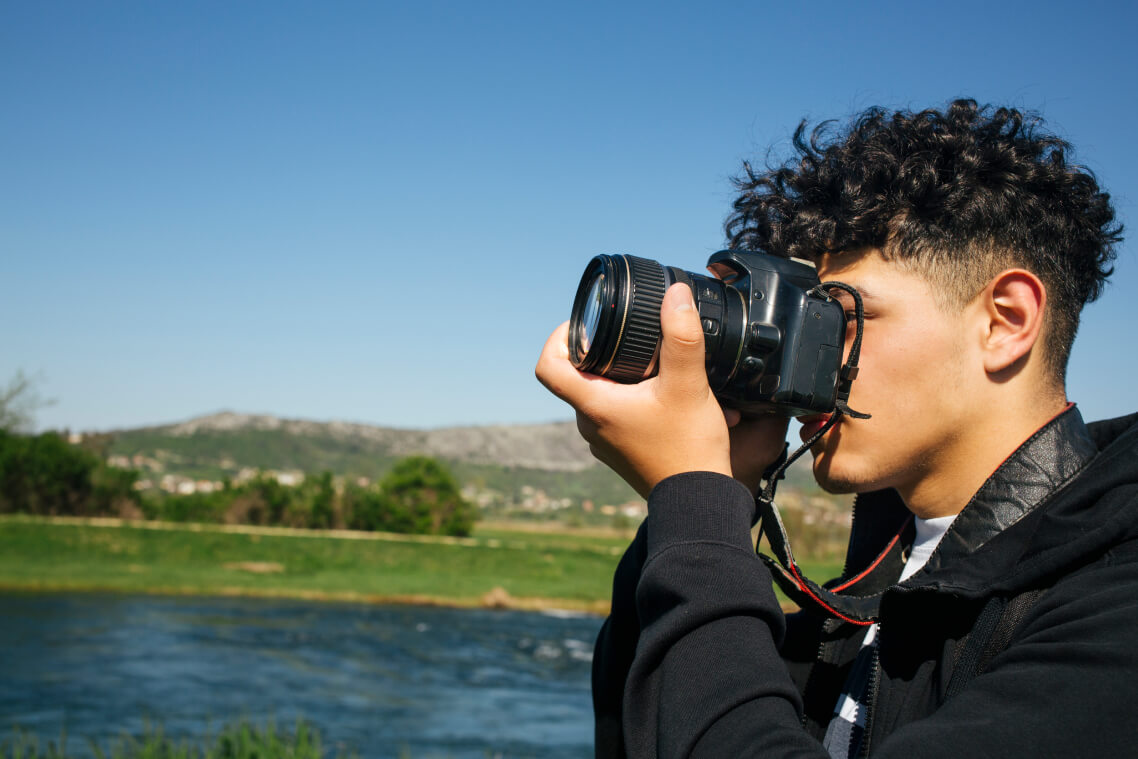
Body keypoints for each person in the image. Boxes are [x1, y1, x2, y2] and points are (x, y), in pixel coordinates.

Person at [535, 99, 1138, 758]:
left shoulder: (1112, 608)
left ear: (1004, 321)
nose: (807, 361)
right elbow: (642, 733)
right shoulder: (873, 598)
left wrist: (693, 492)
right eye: (794, 321)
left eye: (833, 319)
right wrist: (712, 497)